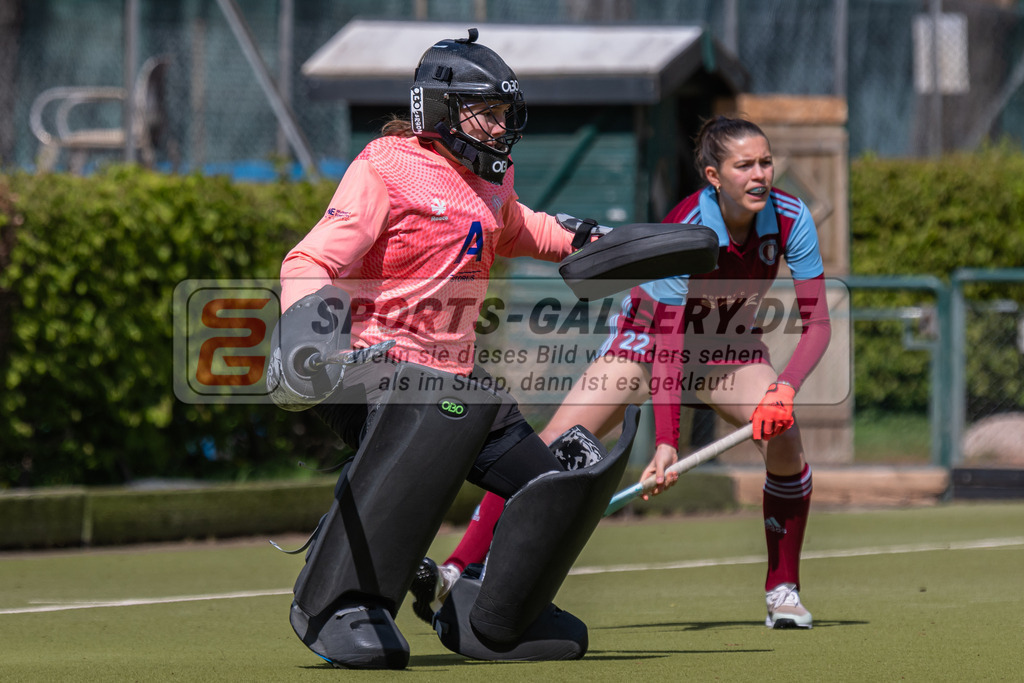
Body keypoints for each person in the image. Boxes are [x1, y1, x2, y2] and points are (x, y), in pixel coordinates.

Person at [267, 29, 642, 669]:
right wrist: (307, 336)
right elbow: (309, 259)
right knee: (410, 463)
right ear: (439, 109)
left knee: (556, 489)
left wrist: (590, 240)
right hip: (374, 369)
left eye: (505, 113)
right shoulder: (384, 167)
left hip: (460, 382)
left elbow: (516, 227)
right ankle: (344, 604)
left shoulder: (492, 177)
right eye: (487, 112)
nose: (500, 127)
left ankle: (495, 617)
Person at [412, 114, 832, 631]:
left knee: (784, 436)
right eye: (744, 165)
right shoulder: (687, 228)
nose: (761, 174)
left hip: (730, 349)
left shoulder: (791, 217)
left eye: (765, 162)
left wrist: (783, 390)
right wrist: (667, 443)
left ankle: (782, 590)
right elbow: (669, 344)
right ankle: (459, 567)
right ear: (713, 175)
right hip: (646, 340)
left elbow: (818, 324)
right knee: (548, 446)